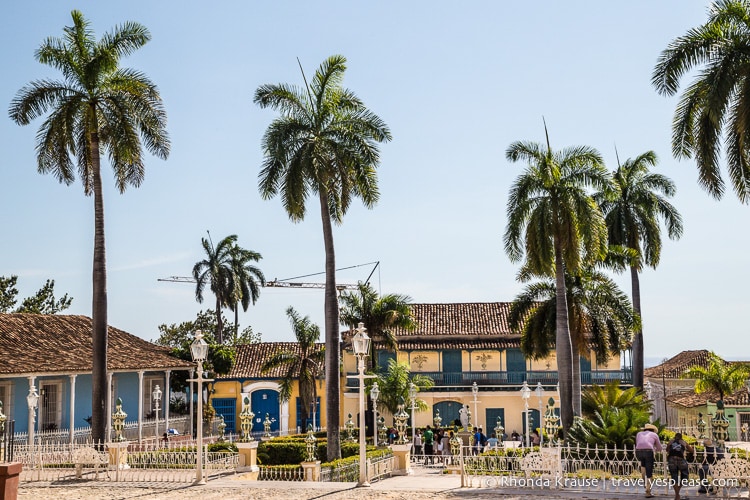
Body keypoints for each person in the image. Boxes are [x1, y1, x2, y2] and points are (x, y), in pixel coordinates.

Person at [635, 423, 663, 498]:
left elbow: (638, 443)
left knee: (643, 466)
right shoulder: (654, 435)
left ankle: (644, 481)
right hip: (648, 452)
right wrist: (655, 449)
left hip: (638, 452)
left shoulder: (639, 434)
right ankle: (648, 491)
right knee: (649, 471)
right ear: (653, 430)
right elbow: (659, 448)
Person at [667, 432, 693, 500]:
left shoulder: (671, 441)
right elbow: (691, 450)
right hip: (680, 459)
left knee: (674, 476)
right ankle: (678, 491)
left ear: (674, 437)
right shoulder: (683, 442)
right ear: (681, 437)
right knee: (685, 475)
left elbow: (667, 450)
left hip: (671, 459)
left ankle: (677, 494)